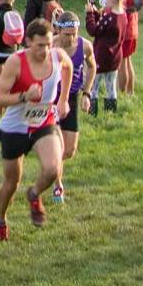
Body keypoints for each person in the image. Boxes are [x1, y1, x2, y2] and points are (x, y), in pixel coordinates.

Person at [0, 17, 70, 241]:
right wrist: (24, 96)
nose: (45, 50)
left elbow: (68, 67)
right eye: (39, 45)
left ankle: (34, 194)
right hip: (15, 127)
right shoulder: (16, 62)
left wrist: (63, 100)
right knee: (11, 183)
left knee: (53, 168)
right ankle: (0, 218)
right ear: (28, 42)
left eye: (48, 44)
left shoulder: (57, 56)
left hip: (44, 122)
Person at [51, 11, 95, 194]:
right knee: (56, 146)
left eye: (74, 34)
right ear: (58, 31)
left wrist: (87, 93)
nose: (71, 38)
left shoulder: (85, 46)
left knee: (69, 150)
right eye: (67, 34)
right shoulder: (50, 45)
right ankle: (57, 185)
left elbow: (92, 66)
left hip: (72, 97)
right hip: (52, 99)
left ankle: (52, 164)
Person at [85, 0, 125, 114]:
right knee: (111, 86)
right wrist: (97, 14)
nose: (104, 0)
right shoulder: (122, 15)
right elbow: (104, 28)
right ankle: (110, 112)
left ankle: (92, 112)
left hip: (102, 56)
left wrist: (90, 14)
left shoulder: (110, 17)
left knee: (94, 86)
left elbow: (94, 30)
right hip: (115, 56)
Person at [112, 0, 143, 95]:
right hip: (132, 29)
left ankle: (122, 93)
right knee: (127, 60)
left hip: (123, 29)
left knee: (121, 64)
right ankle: (130, 93)